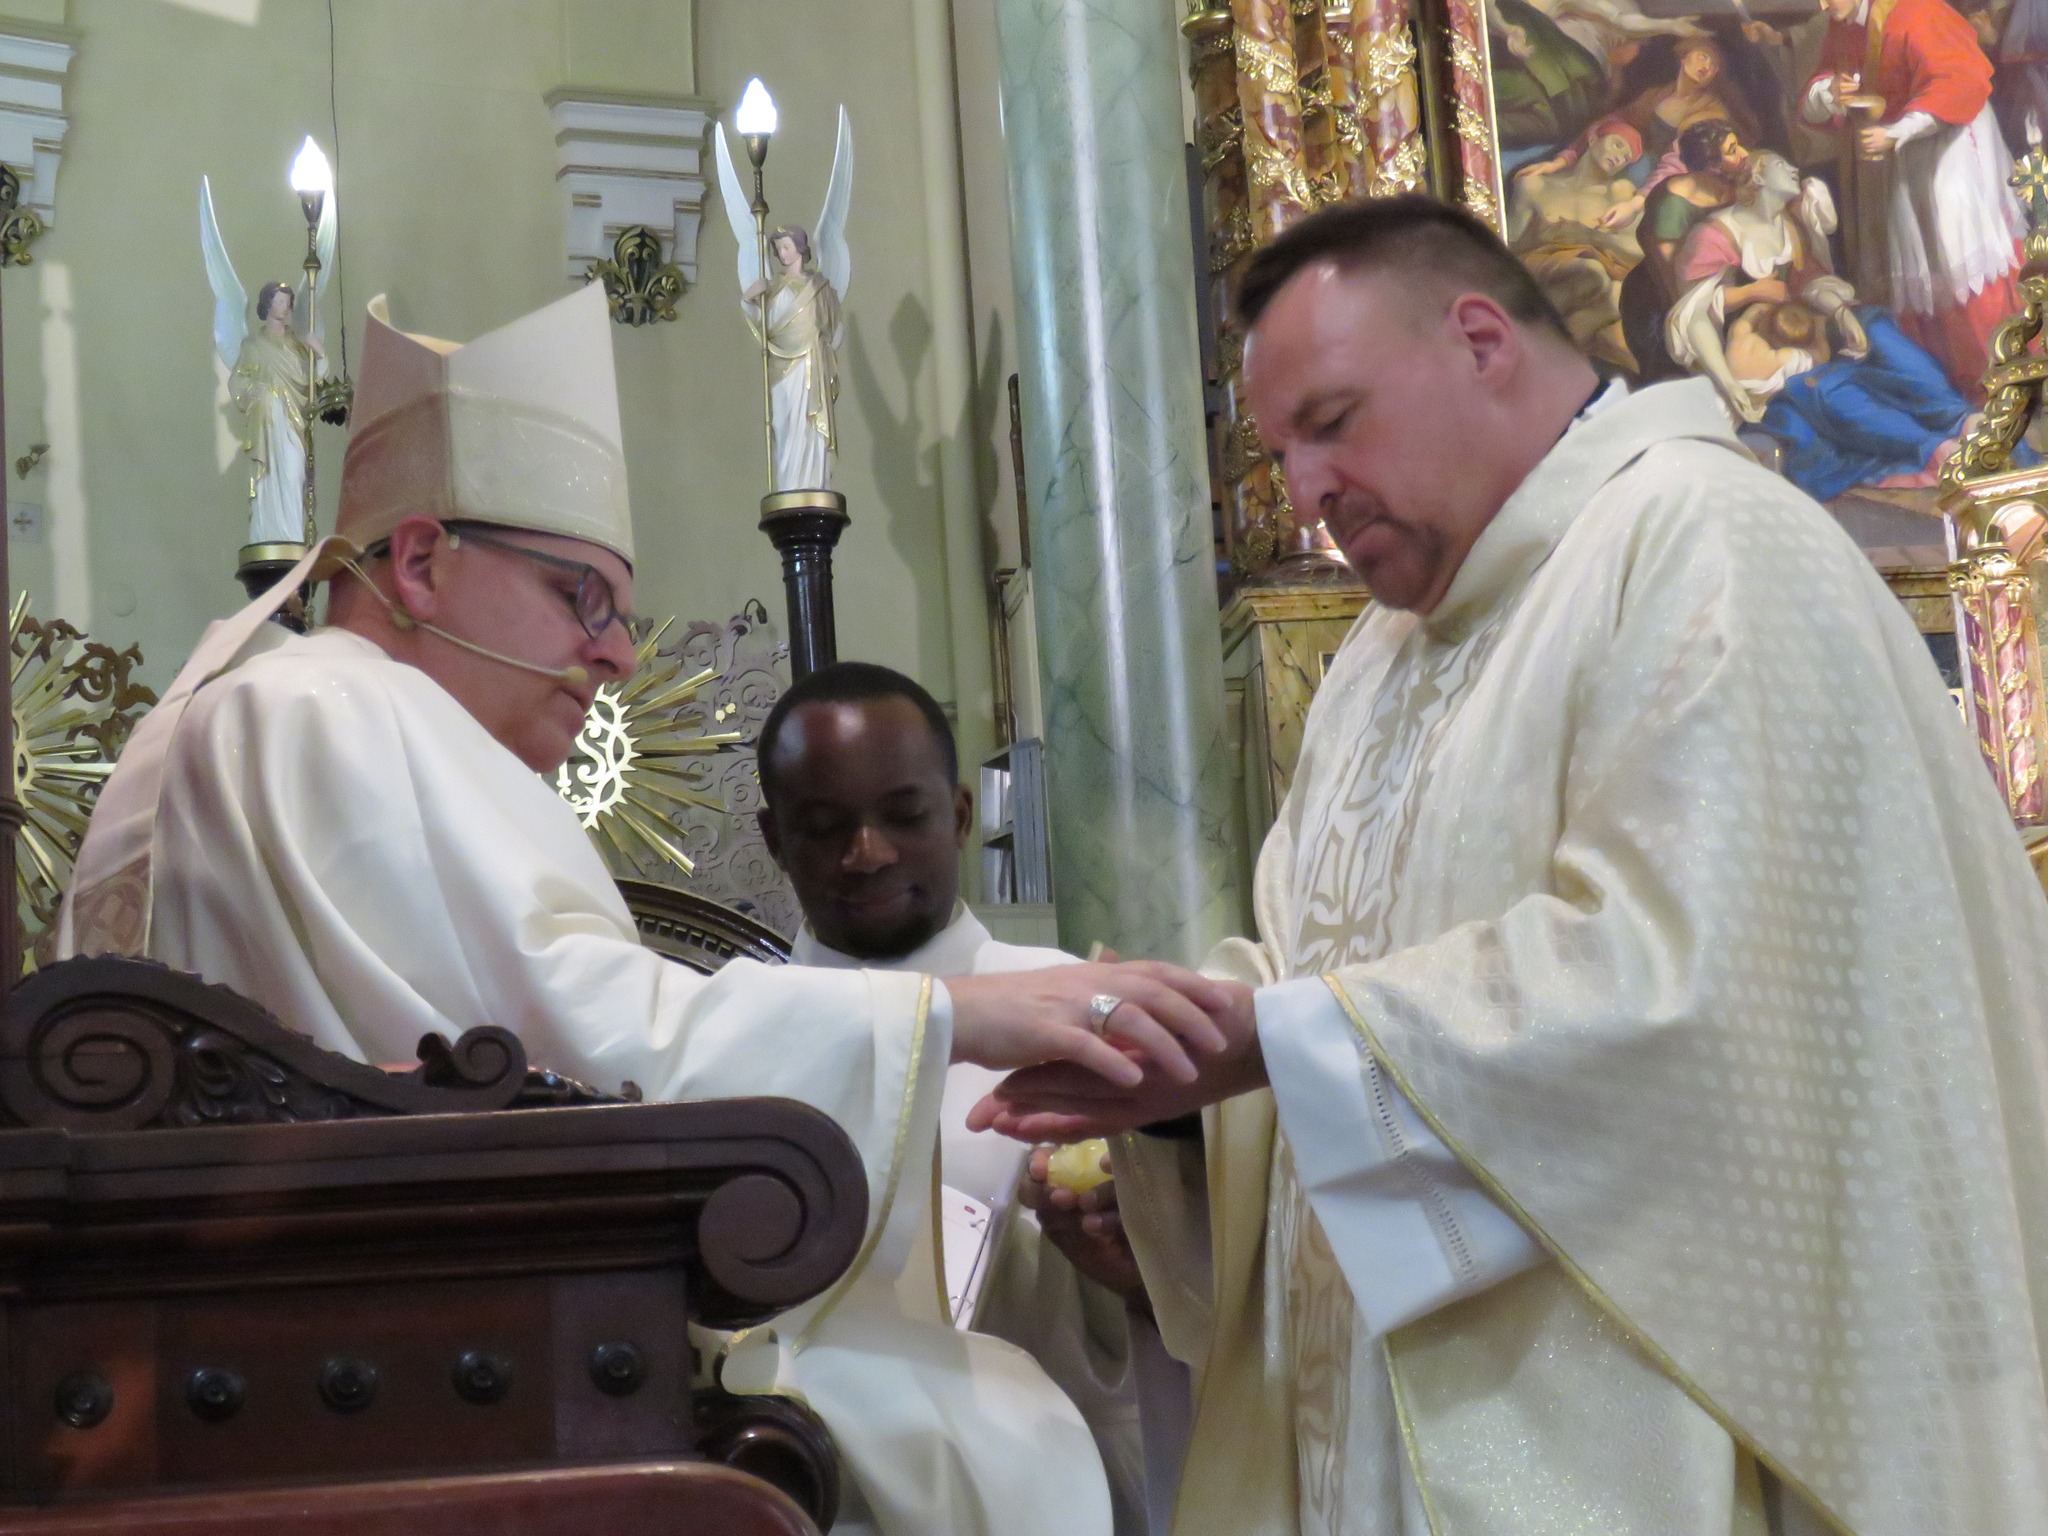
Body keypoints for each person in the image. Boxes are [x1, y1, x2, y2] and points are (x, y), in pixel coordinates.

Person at [57, 283, 1239, 1536]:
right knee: (978, 1440)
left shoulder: (263, 707)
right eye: (584, 599)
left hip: (311, 1353)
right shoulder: (338, 714)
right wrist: (953, 1014)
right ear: (417, 560)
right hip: (413, 1366)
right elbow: (593, 1061)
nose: (620, 653)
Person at [975, 195, 2048, 1535]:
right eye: (1280, 452)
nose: (1305, 494)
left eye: (1332, 423)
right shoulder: (1378, 663)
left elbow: (1684, 989)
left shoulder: (1712, 550)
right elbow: (1317, 968)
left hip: (1618, 1445)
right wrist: (1184, 1077)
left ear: (1480, 339)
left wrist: (1282, 1041)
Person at [752, 659, 1192, 1536]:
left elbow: (1209, 1290)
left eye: (903, 816)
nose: (866, 852)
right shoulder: (738, 1037)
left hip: (1057, 1482)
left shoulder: (1076, 1007)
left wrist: (1135, 1269)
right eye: (824, 827)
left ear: (957, 815)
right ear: (773, 839)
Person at [1665, 150, 1972, 498]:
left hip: (1806, 330)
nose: (1795, 169)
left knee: (1873, 325)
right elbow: (1695, 317)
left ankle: (1960, 418)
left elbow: (1809, 282)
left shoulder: (1790, 228)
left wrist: (1841, 313)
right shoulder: (1715, 235)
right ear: (1758, 176)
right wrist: (1731, 381)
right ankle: (1932, 447)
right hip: (1760, 365)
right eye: (1782, 165)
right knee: (1824, 389)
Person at [1804, 0, 2028, 396]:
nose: (1822, 5)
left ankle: (2000, 376)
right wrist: (1829, 92)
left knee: (1954, 252)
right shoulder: (1843, 24)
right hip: (1900, 156)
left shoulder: (1918, 11)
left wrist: (1897, 131)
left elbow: (1959, 82)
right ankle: (1949, 385)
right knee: (1915, 260)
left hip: (1950, 145)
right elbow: (1822, 82)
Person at [1508, 118, 1647, 369]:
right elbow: (1508, 245)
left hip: (1589, 282)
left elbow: (1637, 254)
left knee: (1615, 294)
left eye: (1626, 158)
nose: (1620, 158)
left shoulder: (1618, 195)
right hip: (1538, 272)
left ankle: (1537, 356)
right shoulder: (1535, 185)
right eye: (1617, 145)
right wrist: (1547, 235)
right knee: (1595, 275)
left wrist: (1595, 237)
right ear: (1593, 139)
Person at [744, 225, 842, 492]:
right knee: (784, 425)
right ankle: (789, 489)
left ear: (800, 248)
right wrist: (750, 300)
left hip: (811, 367)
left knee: (810, 429)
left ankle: (812, 487)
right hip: (782, 370)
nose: (782, 254)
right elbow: (764, 328)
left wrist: (822, 348)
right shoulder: (773, 290)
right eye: (778, 250)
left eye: (786, 247)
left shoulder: (819, 288)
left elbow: (835, 329)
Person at [227, 280, 319, 547]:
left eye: (287, 301)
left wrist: (318, 351)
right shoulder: (252, 346)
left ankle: (292, 535)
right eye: (279, 300)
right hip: (266, 424)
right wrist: (256, 390)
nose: (285, 306)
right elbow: (237, 381)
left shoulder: (297, 344)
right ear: (267, 305)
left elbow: (314, 381)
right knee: (267, 481)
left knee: (292, 475)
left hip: (292, 423)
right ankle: (268, 534)